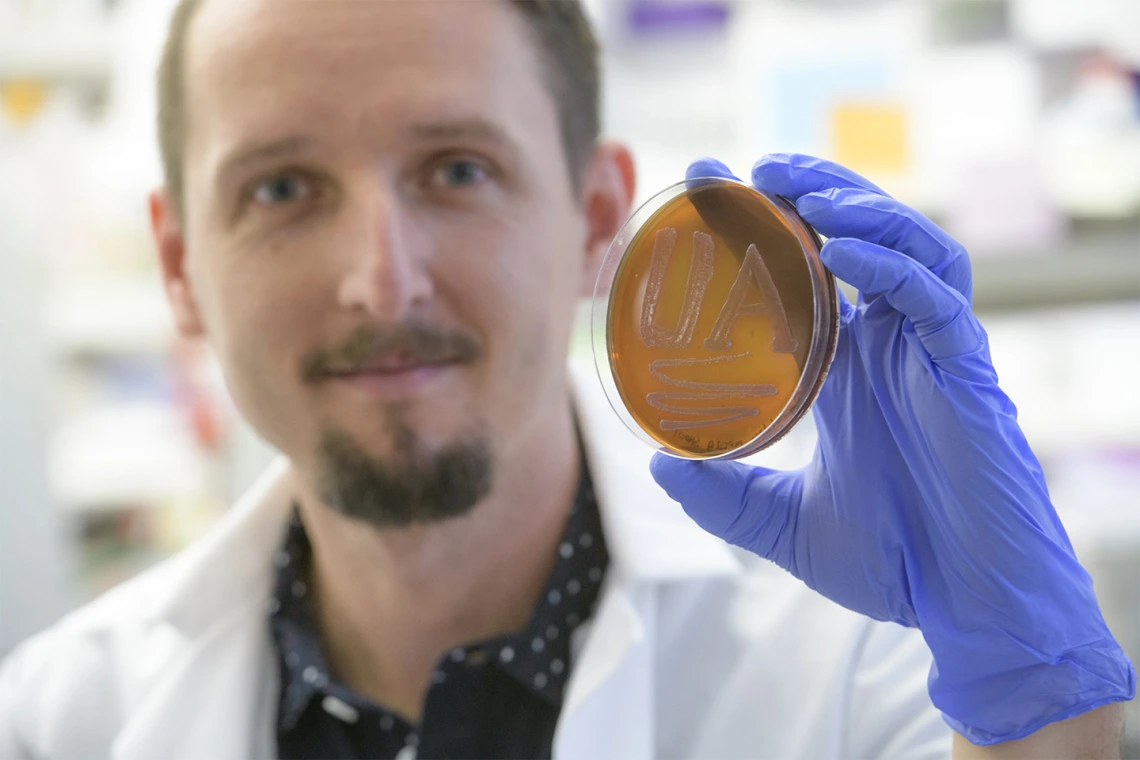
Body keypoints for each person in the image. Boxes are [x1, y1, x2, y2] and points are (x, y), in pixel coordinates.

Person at [0, 0, 1133, 758]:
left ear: (597, 219)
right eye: (283, 190)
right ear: (177, 263)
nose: (380, 283)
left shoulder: (871, 672)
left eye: (456, 169)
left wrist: (1045, 722)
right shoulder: (58, 718)